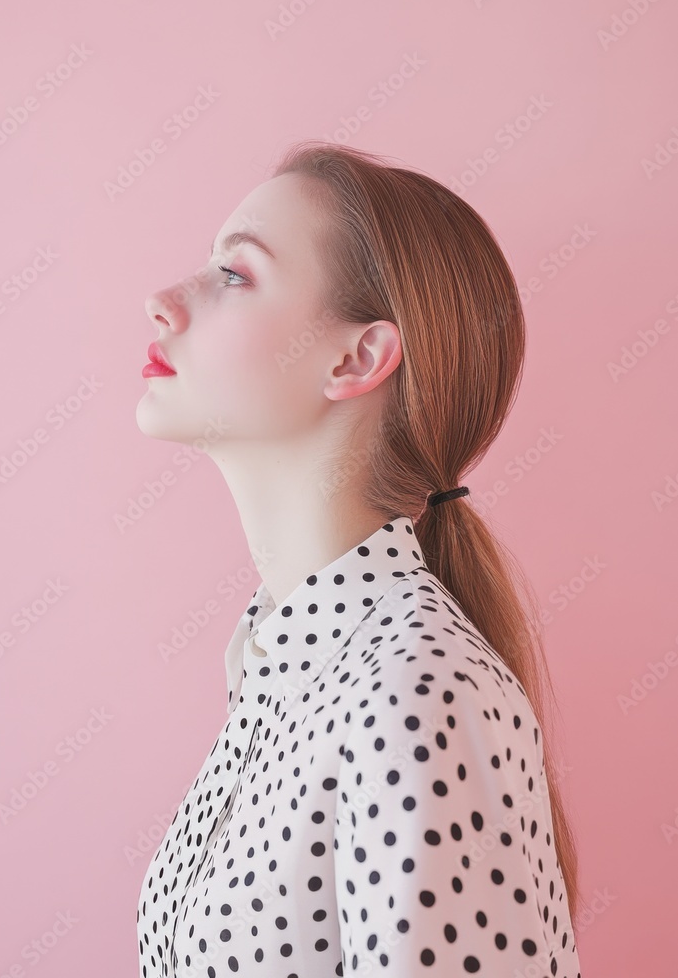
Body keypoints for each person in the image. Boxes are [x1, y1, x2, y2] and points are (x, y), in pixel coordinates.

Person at [135, 140, 583, 977]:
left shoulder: (415, 689)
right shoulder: (281, 667)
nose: (160, 303)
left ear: (356, 359)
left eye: (234, 274)